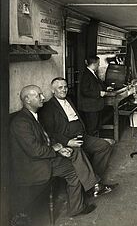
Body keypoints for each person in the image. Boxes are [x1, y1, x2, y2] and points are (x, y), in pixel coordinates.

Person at [10, 85, 98, 217]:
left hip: (43, 158)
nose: (43, 98)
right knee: (74, 170)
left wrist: (61, 148)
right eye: (38, 95)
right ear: (27, 100)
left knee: (75, 152)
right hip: (33, 166)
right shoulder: (21, 122)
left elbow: (45, 138)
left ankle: (91, 188)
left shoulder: (32, 116)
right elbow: (35, 151)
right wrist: (56, 149)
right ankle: (85, 196)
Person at [39, 77, 116, 197]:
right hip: (67, 140)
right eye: (60, 88)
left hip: (81, 136)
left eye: (65, 87)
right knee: (77, 152)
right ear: (53, 90)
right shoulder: (49, 107)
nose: (64, 90)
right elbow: (50, 132)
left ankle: (95, 182)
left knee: (104, 146)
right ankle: (93, 186)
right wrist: (68, 141)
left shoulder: (69, 100)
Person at [78, 56, 108, 136]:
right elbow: (84, 91)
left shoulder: (92, 73)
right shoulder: (86, 74)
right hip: (90, 106)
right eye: (98, 64)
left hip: (94, 105)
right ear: (94, 64)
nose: (98, 65)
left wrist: (106, 88)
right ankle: (92, 144)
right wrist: (99, 93)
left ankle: (95, 142)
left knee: (95, 127)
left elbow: (97, 84)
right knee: (92, 128)